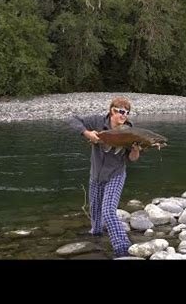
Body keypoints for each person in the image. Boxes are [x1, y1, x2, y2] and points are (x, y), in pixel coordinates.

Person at [68, 96, 141, 258]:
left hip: (116, 174)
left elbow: (132, 159)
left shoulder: (130, 132)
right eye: (121, 111)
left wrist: (136, 150)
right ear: (111, 111)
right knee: (95, 213)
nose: (124, 115)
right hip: (96, 174)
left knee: (108, 212)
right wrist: (87, 134)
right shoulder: (97, 122)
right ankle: (96, 238)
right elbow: (72, 120)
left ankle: (123, 248)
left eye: (127, 112)